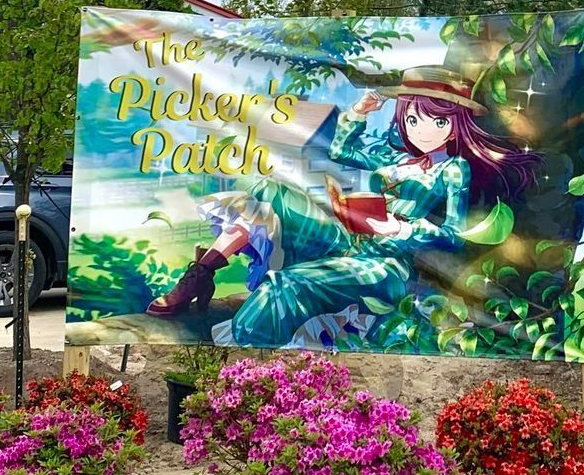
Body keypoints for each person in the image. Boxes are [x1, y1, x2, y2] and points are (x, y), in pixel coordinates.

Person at [144, 70, 538, 346]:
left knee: (288, 284)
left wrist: (401, 229)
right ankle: (201, 274)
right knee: (268, 190)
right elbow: (341, 150)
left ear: (455, 124)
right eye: (414, 117)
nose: (421, 129)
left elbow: (452, 234)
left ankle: (243, 352)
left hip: (387, 264)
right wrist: (356, 114)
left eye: (436, 121)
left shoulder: (453, 169)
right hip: (350, 239)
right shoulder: (394, 154)